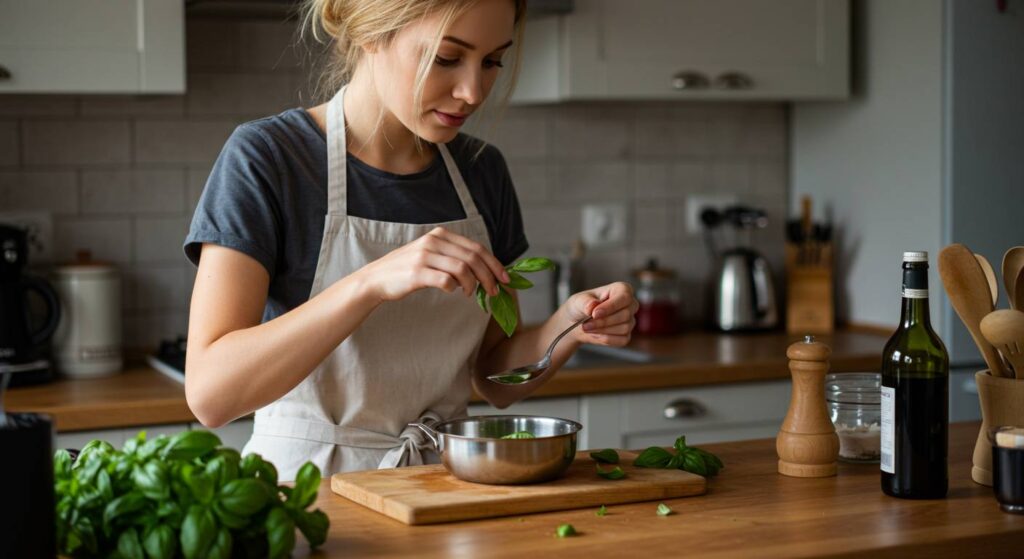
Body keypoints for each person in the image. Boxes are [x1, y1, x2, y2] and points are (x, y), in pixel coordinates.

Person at [183, 0, 638, 481]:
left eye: (491, 61)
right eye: (446, 58)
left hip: (440, 484)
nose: (472, 91)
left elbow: (495, 379)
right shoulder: (270, 159)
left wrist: (567, 327)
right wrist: (371, 282)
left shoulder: (481, 171)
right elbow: (212, 395)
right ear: (369, 36)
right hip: (307, 494)